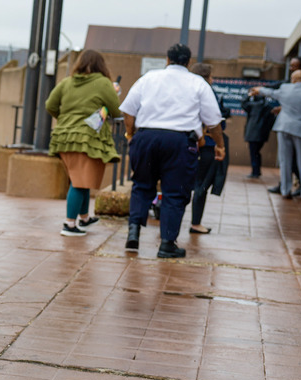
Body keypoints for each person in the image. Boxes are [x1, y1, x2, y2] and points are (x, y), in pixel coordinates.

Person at [119, 43, 224, 258]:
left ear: (167, 59)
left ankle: (134, 233)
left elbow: (128, 112)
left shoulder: (148, 78)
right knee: (174, 192)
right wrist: (220, 146)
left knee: (141, 185)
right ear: (188, 62)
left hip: (146, 137)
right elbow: (213, 122)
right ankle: (167, 244)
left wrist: (131, 135)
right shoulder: (198, 83)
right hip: (180, 141)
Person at [45, 49, 121, 237]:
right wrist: (114, 92)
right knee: (79, 182)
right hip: (86, 137)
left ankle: (85, 218)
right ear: (100, 65)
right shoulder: (103, 83)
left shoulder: (67, 82)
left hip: (63, 136)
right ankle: (69, 224)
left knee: (80, 178)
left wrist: (65, 120)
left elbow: (50, 105)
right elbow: (116, 111)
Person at [251, 69, 301, 201]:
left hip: (283, 127)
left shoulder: (285, 88)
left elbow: (272, 93)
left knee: (285, 161)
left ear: (294, 79)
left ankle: (285, 190)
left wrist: (259, 89)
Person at [188, 63, 229, 235]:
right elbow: (217, 122)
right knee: (202, 185)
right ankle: (196, 223)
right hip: (207, 145)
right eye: (211, 77)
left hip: (185, 142)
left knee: (176, 184)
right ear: (206, 78)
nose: (212, 80)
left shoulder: (186, 91)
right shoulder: (208, 93)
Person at [267, 56, 301, 195]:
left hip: (300, 128)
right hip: (288, 127)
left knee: (296, 161)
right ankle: (285, 186)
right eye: (291, 65)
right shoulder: (290, 80)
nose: (291, 68)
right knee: (287, 160)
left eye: (294, 66)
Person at [241, 93, 277, 178]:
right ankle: (256, 170)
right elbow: (272, 121)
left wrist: (249, 95)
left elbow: (243, 103)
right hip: (263, 134)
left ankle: (255, 171)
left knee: (254, 153)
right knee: (256, 152)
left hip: (252, 133)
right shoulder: (269, 107)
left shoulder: (253, 106)